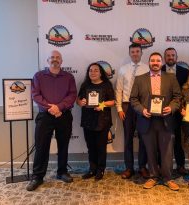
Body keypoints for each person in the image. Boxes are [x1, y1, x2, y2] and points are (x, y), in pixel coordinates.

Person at [26, 50, 77, 191]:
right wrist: (51, 108)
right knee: (41, 146)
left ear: (62, 61)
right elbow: (36, 95)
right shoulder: (38, 76)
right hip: (45, 116)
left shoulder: (69, 77)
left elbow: (72, 95)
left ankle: (62, 172)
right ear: (47, 60)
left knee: (63, 145)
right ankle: (37, 176)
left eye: (58, 57)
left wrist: (59, 107)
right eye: (52, 57)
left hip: (64, 115)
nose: (55, 59)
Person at [130, 52, 181, 191]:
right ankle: (153, 176)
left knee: (167, 151)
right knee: (150, 150)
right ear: (149, 62)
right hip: (147, 120)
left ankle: (168, 178)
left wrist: (171, 108)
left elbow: (177, 97)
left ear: (162, 62)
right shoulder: (140, 79)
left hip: (166, 120)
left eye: (158, 61)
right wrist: (142, 110)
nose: (155, 63)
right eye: (152, 60)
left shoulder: (171, 78)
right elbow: (133, 99)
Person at [115, 43, 149, 179]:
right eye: (132, 52)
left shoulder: (148, 69)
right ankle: (129, 168)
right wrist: (119, 108)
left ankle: (142, 167)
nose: (135, 54)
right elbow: (119, 90)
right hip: (127, 106)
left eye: (137, 51)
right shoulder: (123, 69)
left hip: (142, 106)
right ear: (129, 53)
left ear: (141, 53)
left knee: (143, 138)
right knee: (128, 138)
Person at [76, 63, 115, 180]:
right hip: (88, 120)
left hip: (102, 120)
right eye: (90, 70)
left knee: (101, 147)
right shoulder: (85, 85)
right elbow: (78, 100)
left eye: (96, 70)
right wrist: (80, 102)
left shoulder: (107, 85)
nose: (92, 72)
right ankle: (92, 169)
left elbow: (113, 102)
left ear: (101, 72)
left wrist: (102, 104)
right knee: (90, 146)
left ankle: (100, 170)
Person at [161, 47, 189, 176]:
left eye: (173, 55)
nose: (170, 57)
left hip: (180, 111)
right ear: (164, 58)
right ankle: (162, 165)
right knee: (163, 139)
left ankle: (181, 165)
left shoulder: (185, 72)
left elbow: (188, 91)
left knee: (179, 139)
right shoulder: (158, 71)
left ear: (176, 57)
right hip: (162, 111)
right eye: (168, 55)